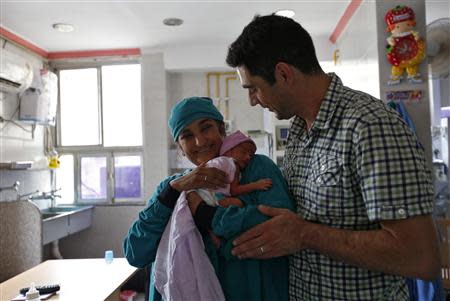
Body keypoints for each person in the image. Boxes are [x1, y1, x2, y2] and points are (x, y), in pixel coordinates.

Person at [225, 14, 441, 301]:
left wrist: (304, 235)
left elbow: (420, 257)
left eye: (253, 87)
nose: (252, 100)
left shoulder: (369, 125)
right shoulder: (300, 133)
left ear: (283, 74)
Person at [123, 96, 294, 301]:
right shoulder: (173, 188)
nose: (200, 141)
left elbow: (282, 230)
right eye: (187, 136)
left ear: (222, 130)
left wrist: (206, 214)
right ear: (179, 147)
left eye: (206, 128)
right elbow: (136, 253)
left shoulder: (255, 169)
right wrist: (172, 192)